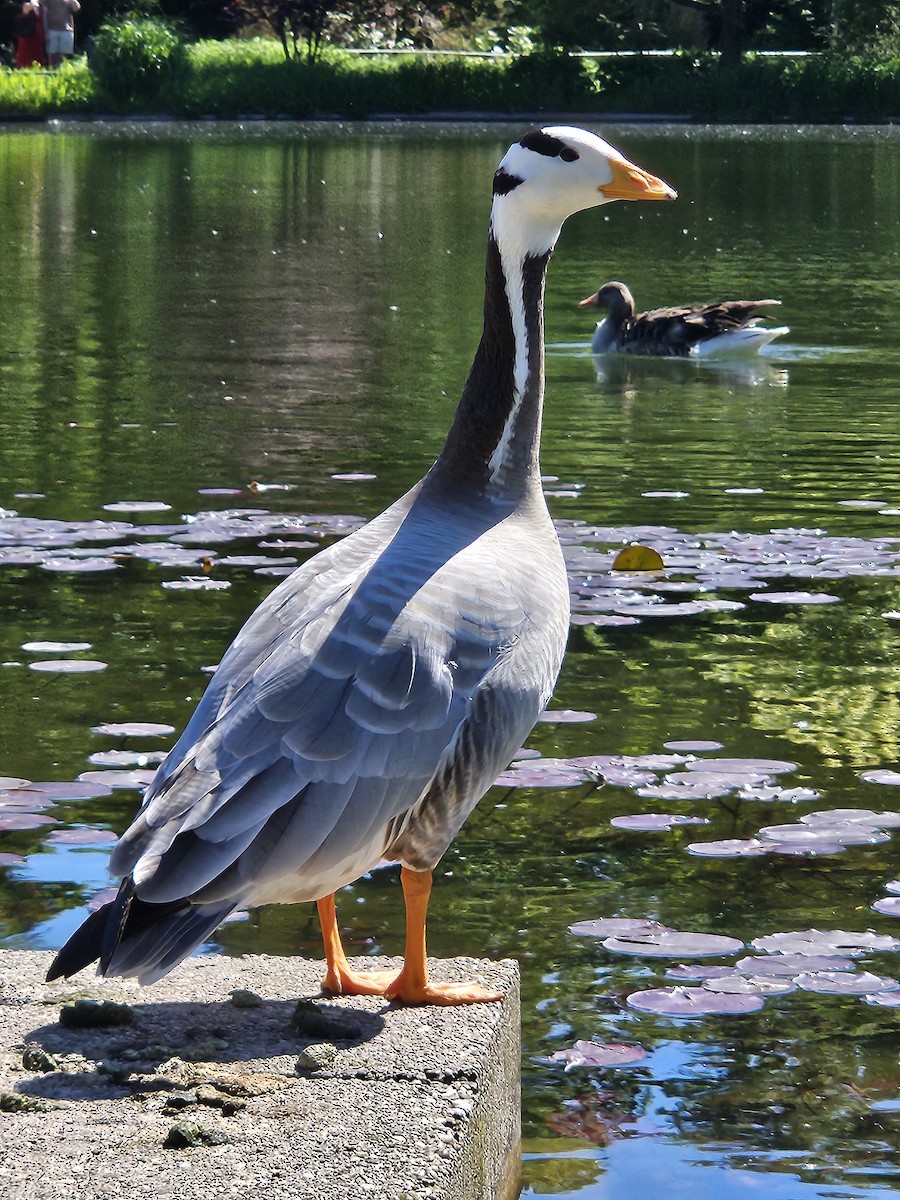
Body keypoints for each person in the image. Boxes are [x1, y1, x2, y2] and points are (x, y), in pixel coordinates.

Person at [43, 0, 79, 67]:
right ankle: (53, 74)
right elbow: (43, 13)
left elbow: (76, 8)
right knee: (53, 55)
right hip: (51, 29)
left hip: (66, 29)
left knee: (65, 56)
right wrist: (45, 30)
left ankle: (63, 73)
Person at [14, 1, 46, 68]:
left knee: (37, 52)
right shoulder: (28, 4)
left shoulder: (42, 5)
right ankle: (24, 67)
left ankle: (37, 67)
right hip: (27, 34)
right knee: (26, 53)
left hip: (37, 34)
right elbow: (24, 17)